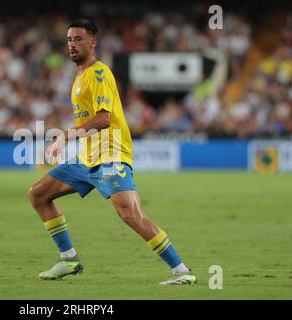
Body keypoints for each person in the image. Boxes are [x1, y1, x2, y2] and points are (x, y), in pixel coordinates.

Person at [27, 19, 196, 285]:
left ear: (93, 42)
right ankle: (68, 258)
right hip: (86, 158)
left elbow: (104, 119)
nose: (72, 45)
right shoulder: (80, 76)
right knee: (38, 194)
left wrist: (66, 136)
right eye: (69, 40)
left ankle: (181, 271)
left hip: (111, 155)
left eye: (78, 39)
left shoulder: (99, 73)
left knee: (130, 215)